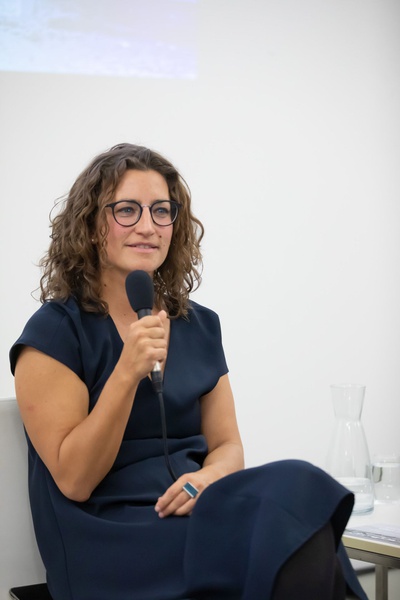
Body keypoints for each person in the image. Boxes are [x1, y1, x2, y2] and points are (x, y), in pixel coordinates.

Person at [10, 143, 367, 600]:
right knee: (292, 529)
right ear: (92, 225)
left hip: (193, 513)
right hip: (110, 540)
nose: (147, 226)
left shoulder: (199, 324)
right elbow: (74, 481)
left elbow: (228, 446)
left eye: (161, 211)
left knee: (301, 492)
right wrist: (126, 372)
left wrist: (206, 479)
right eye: (127, 210)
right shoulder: (54, 333)